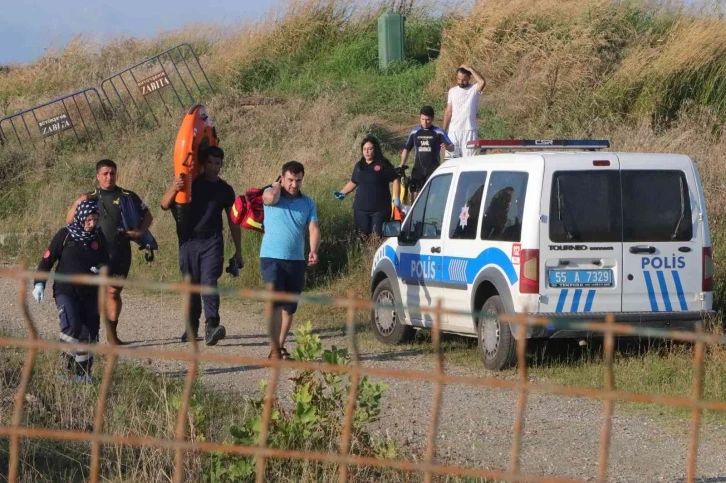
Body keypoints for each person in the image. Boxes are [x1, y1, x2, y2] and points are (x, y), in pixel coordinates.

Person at [161, 146, 242, 345]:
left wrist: (238, 250)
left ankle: (212, 325)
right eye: (210, 163)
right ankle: (191, 327)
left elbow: (233, 220)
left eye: (218, 163)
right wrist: (175, 187)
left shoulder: (225, 189)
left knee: (208, 282)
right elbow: (164, 204)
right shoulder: (190, 183)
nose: (214, 167)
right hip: (188, 241)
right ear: (203, 164)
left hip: (212, 241)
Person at [66, 159, 153, 346]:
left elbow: (147, 215)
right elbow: (69, 220)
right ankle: (88, 334)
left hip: (120, 252)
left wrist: (140, 232)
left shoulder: (127, 195)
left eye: (112, 173)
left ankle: (112, 334)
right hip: (93, 253)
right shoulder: (88, 198)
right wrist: (76, 202)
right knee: (93, 294)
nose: (109, 177)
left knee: (113, 293)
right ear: (97, 176)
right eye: (105, 174)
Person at [33, 199, 110, 382]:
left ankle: (82, 375)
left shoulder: (98, 237)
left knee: (89, 334)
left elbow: (107, 261)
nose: (92, 224)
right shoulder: (65, 235)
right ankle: (64, 369)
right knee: (71, 325)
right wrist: (39, 283)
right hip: (66, 290)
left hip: (90, 294)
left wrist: (101, 268)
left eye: (95, 219)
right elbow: (47, 260)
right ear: (81, 218)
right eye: (88, 220)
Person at [260, 161, 320, 360]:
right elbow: (268, 198)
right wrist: (276, 185)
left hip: (296, 260)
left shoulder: (308, 203)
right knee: (275, 303)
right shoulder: (272, 193)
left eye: (299, 180)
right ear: (282, 177)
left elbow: (313, 228)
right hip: (271, 258)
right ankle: (276, 350)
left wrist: (313, 250)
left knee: (289, 308)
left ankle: (278, 348)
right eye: (291, 180)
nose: (294, 184)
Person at [333, 135, 400, 237]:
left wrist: (397, 198)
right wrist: (342, 193)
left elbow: (395, 179)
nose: (367, 151)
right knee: (362, 236)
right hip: (361, 208)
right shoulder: (359, 166)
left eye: (369, 149)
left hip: (380, 209)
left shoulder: (383, 164)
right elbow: (353, 182)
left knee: (377, 237)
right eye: (364, 149)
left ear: (375, 149)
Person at [394, 105, 455, 203]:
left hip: (433, 170)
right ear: (419, 118)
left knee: (431, 201)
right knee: (415, 201)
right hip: (418, 170)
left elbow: (452, 147)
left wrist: (447, 147)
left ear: (432, 119)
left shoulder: (438, 132)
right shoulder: (415, 132)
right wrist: (402, 163)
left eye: (428, 120)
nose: (425, 122)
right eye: (422, 119)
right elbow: (406, 149)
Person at [443, 64, 486, 158]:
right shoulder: (452, 91)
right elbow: (448, 112)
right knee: (451, 161)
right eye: (459, 79)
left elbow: (482, 81)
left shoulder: (474, 89)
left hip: (469, 131)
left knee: (469, 162)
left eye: (464, 80)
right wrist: (443, 131)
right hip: (453, 131)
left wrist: (470, 69)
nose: (461, 82)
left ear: (469, 78)